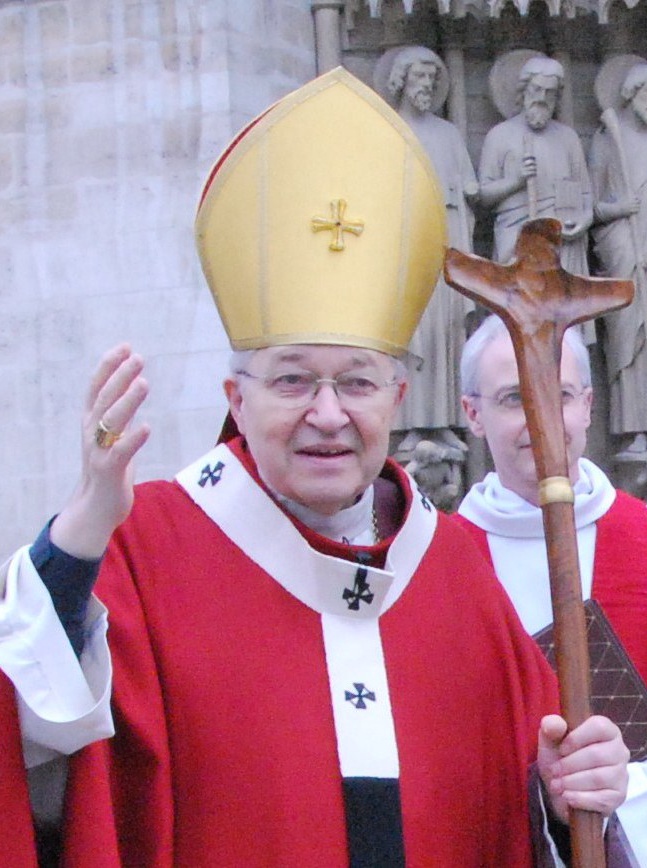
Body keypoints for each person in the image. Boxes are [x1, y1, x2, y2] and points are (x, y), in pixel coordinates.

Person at [10, 69, 629, 866]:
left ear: (400, 396)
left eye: (358, 383)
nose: (328, 414)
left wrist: (562, 792)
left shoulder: (454, 568)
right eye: (293, 379)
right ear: (237, 394)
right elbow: (35, 730)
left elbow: (525, 812)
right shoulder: (146, 543)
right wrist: (84, 523)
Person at [455, 313, 647, 864]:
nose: (541, 417)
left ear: (587, 404)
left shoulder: (640, 537)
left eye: (558, 395)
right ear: (473, 413)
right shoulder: (438, 562)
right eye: (514, 398)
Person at [385, 45, 476, 462]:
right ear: (401, 81)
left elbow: (471, 191)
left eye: (431, 79)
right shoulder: (389, 130)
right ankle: (412, 424)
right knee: (414, 332)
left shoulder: (449, 134)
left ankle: (445, 422)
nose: (425, 86)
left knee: (447, 334)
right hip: (407, 246)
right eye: (418, 77)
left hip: (449, 242)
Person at [479, 55, 592, 275]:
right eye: (536, 90)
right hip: (519, 235)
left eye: (550, 92)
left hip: (565, 239)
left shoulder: (568, 138)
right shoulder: (500, 135)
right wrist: (516, 180)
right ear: (523, 91)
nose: (542, 98)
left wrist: (583, 221)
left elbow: (586, 193)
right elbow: (484, 195)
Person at [589, 61, 647, 459]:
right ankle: (633, 430)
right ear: (632, 94)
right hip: (624, 247)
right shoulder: (607, 139)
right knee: (631, 342)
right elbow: (592, 206)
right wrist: (621, 207)